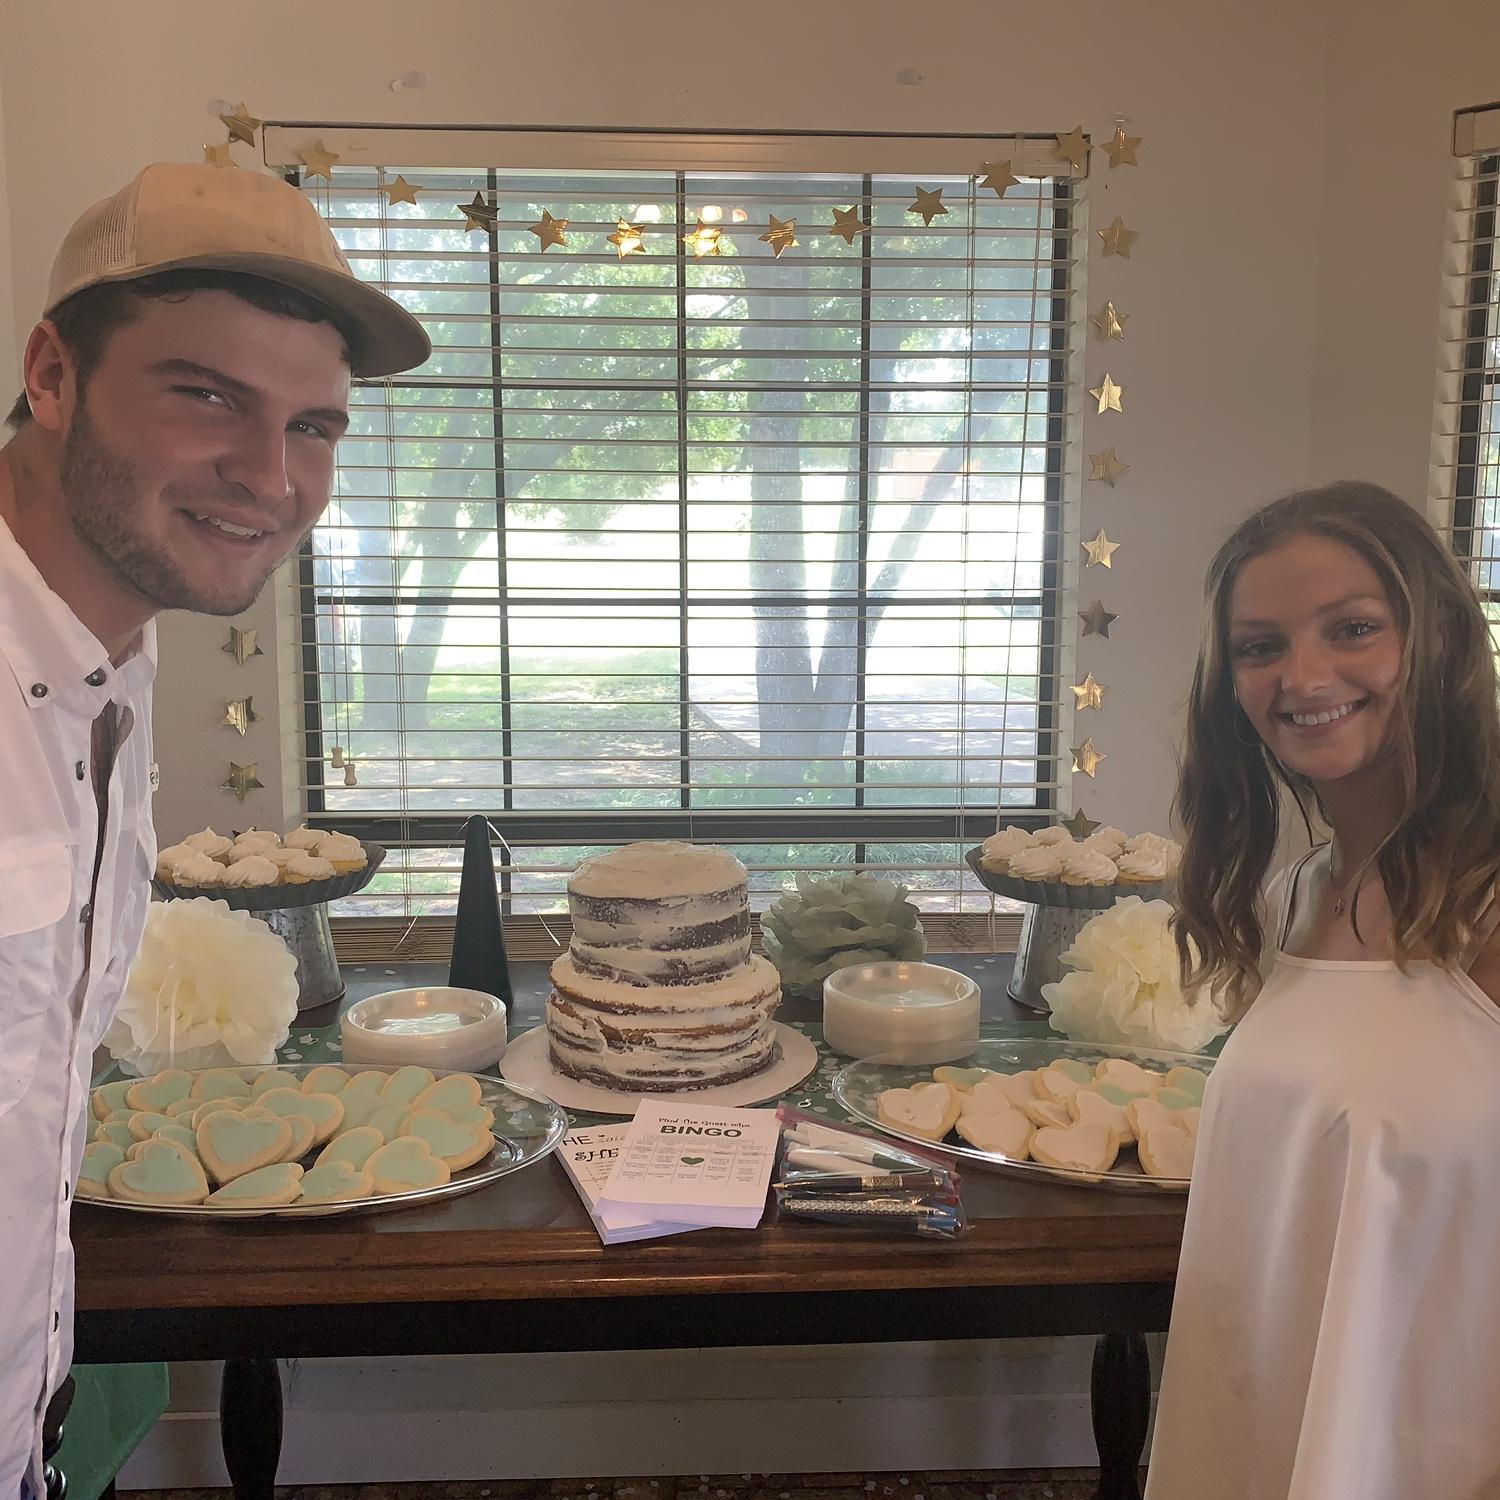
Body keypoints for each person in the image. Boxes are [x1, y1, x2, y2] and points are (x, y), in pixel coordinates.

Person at [0, 161, 429, 1498]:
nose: (272, 476)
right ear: (54, 374)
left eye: (315, 426)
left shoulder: (110, 670)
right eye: (206, 397)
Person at [1146, 480, 1500, 1498]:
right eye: (1261, 647)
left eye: (1352, 629)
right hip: (1266, 1421)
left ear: (1433, 639)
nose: (1304, 676)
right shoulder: (1297, 898)